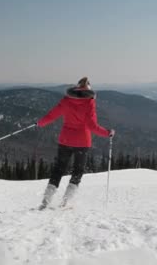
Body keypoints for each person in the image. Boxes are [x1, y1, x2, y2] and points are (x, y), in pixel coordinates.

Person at [36, 77, 115, 209]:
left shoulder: (67, 100)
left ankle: (46, 201)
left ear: (77, 87)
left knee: (58, 170)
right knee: (77, 171)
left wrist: (40, 123)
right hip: (82, 142)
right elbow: (92, 126)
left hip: (65, 140)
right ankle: (65, 202)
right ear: (89, 89)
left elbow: (52, 115)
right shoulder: (89, 103)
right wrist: (108, 133)